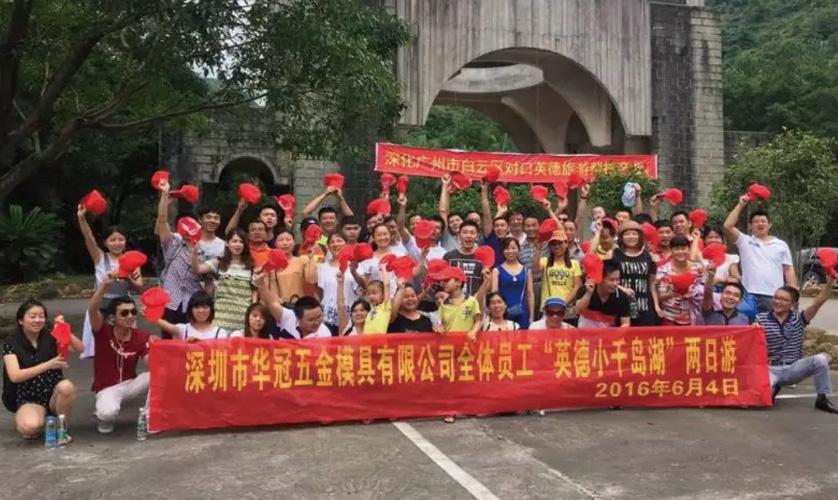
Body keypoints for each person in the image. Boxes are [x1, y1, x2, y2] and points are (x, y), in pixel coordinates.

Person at [3, 300, 81, 440]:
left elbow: (79, 348)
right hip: (27, 396)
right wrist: (48, 365)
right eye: (32, 316)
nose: (37, 320)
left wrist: (64, 329)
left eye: (41, 316)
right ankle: (39, 417)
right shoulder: (11, 343)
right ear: (21, 320)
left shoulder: (51, 336)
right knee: (29, 428)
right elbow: (15, 376)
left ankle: (61, 429)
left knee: (66, 386)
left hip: (52, 392)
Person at [757, 278, 838, 413]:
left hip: (793, 368)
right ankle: (774, 387)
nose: (778, 301)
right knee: (761, 401)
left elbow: (817, 303)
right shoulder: (760, 318)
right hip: (770, 368)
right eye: (776, 297)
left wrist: (830, 284)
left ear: (793, 304)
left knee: (820, 360)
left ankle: (822, 399)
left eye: (783, 299)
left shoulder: (799, 318)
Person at [87, 273, 151, 434]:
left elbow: (151, 364)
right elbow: (92, 309)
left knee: (156, 375)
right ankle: (103, 416)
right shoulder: (103, 331)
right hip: (107, 388)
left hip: (130, 385)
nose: (130, 316)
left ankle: (149, 416)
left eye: (133, 312)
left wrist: (155, 350)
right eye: (124, 313)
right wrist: (104, 285)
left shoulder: (141, 335)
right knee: (107, 413)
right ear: (112, 317)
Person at [76, 205, 142, 358]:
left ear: (125, 241)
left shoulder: (133, 260)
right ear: (105, 243)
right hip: (100, 306)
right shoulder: (100, 257)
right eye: (112, 240)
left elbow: (139, 286)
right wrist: (81, 218)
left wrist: (127, 275)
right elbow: (89, 238)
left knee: (124, 349)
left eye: (120, 239)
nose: (117, 243)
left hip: (124, 308)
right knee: (102, 349)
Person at [724, 195, 797, 313]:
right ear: (750, 226)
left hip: (774, 296)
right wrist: (741, 205)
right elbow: (728, 226)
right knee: (746, 323)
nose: (760, 224)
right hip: (748, 294)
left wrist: (793, 295)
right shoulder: (745, 241)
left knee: (771, 325)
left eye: (763, 221)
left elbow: (788, 270)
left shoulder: (781, 245)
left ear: (769, 225)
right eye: (756, 222)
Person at [154, 179, 202, 335]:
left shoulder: (203, 249)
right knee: (168, 341)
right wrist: (165, 196)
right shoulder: (173, 243)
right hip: (170, 302)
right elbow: (162, 221)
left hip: (193, 304)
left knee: (191, 341)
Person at [191, 229, 255, 332]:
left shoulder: (251, 266)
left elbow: (255, 292)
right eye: (234, 241)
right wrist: (194, 254)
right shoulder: (218, 262)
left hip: (243, 319)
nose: (238, 245)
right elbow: (197, 269)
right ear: (227, 243)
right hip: (220, 319)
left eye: (241, 242)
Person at [306, 233, 357, 335]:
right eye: (332, 242)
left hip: (351, 316)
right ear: (328, 246)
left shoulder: (354, 265)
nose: (335, 244)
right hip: (328, 317)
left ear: (346, 244)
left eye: (339, 241)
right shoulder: (322, 267)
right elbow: (318, 291)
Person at [611, 221, 660, 326]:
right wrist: (622, 289)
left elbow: (651, 284)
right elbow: (605, 280)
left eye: (634, 234)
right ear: (621, 237)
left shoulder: (648, 256)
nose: (631, 237)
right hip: (621, 305)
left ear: (640, 236)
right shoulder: (613, 255)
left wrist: (656, 306)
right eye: (627, 234)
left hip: (645, 306)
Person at [255, 272, 333, 339]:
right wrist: (261, 285)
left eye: (319, 317)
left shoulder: (325, 334)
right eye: (311, 320)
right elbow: (272, 303)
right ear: (298, 318)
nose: (316, 322)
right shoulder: (289, 317)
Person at [533, 228, 582, 322]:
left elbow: (576, 287)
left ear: (566, 243)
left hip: (567, 308)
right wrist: (538, 249)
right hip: (548, 307)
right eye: (553, 244)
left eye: (559, 243)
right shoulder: (545, 261)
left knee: (568, 331)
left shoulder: (574, 263)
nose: (556, 246)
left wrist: (563, 303)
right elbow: (535, 270)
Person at [655, 235, 705, 326]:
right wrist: (672, 293)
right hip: (670, 317)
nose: (680, 252)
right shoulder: (663, 270)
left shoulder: (698, 268)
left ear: (688, 249)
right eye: (676, 249)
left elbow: (703, 288)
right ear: (671, 250)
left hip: (693, 316)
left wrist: (694, 293)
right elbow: (659, 296)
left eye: (683, 248)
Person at [491, 237, 534, 329]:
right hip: (502, 312)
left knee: (522, 337)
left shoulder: (526, 271)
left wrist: (531, 315)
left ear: (519, 250)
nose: (510, 251)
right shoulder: (496, 270)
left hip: (522, 311)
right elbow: (494, 293)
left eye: (513, 248)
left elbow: (530, 294)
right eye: (507, 248)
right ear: (502, 251)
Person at [153, 291, 230, 341]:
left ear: (211, 310)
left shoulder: (220, 333)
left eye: (205, 307)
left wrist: (199, 344)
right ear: (191, 310)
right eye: (196, 307)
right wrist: (151, 314)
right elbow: (168, 327)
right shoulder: (183, 329)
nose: (201, 311)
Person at [577, 260, 632, 328]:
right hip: (584, 333)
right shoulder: (586, 289)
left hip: (608, 334)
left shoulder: (622, 297)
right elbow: (579, 311)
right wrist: (589, 293)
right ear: (600, 279)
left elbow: (626, 323)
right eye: (611, 280)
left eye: (617, 279)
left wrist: (617, 333)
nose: (615, 284)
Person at [436, 266, 486, 341]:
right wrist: (440, 327)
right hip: (450, 343)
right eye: (442, 281)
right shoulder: (443, 304)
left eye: (446, 280)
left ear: (459, 282)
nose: (443, 283)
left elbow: (478, 321)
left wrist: (473, 332)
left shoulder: (471, 301)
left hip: (467, 343)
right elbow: (443, 323)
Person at [443, 220, 484, 297]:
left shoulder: (483, 258)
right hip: (453, 302)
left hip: (477, 301)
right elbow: (443, 282)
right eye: (465, 232)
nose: (468, 236)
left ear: (477, 236)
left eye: (472, 233)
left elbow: (488, 283)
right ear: (459, 235)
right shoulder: (449, 257)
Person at [361, 263, 405, 335]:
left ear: (383, 295)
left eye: (374, 293)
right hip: (365, 340)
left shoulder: (385, 306)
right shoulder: (371, 308)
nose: (371, 296)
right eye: (369, 294)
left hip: (378, 340)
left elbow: (387, 285)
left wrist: (384, 269)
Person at [268, 228, 309, 305]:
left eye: (288, 239)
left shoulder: (302, 260)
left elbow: (311, 280)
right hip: (279, 307)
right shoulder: (271, 265)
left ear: (294, 242)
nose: (285, 243)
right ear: (275, 244)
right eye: (280, 240)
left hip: (299, 305)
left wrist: (311, 258)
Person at [480, 181, 510, 267]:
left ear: (508, 228)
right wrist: (484, 190)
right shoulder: (490, 237)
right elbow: (486, 213)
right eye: (496, 226)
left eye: (502, 225)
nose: (499, 228)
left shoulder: (511, 242)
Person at [338, 270, 371, 335]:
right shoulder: (346, 329)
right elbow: (340, 305)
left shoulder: (374, 331)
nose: (358, 313)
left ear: (368, 312)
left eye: (362, 310)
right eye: (355, 311)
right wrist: (340, 283)